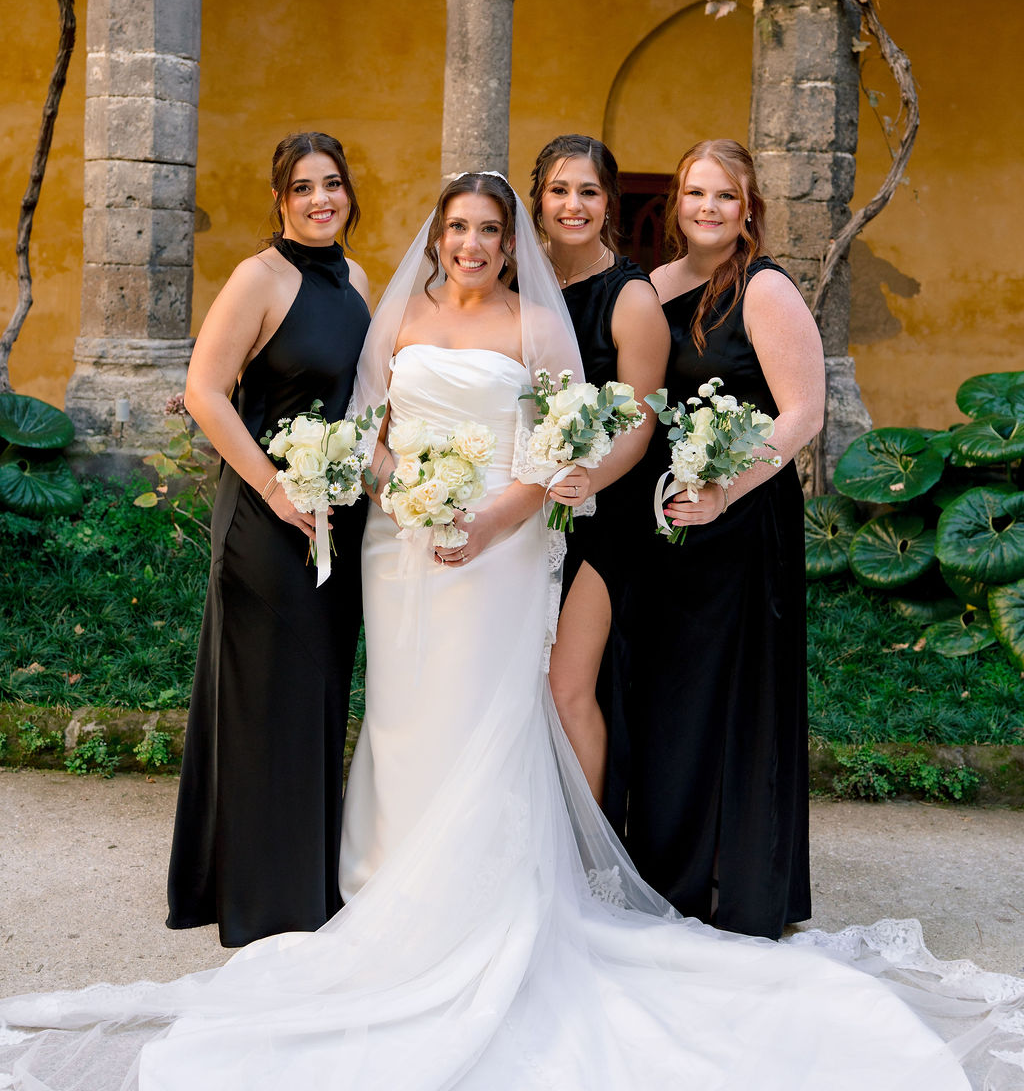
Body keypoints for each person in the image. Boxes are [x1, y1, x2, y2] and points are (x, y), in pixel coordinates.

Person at [1, 172, 1020, 1090]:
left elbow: (576, 437)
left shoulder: (541, 325)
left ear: (506, 239)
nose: (472, 244)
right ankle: (387, 885)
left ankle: (489, 901)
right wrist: (407, 500)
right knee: (403, 715)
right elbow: (368, 427)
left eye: (489, 229)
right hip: (403, 548)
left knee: (488, 710)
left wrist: (490, 514)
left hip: (502, 540)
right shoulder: (391, 311)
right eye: (458, 228)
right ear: (437, 236)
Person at [165, 131, 370, 947]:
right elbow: (205, 392)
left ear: (349, 193)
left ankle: (307, 883)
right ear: (280, 199)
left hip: (336, 520)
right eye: (303, 187)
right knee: (262, 703)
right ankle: (258, 899)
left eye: (333, 184)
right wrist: (278, 490)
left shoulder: (356, 279)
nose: (321, 199)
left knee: (315, 699)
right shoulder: (259, 277)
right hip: (265, 518)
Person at [624, 138, 821, 941]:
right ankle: (665, 872)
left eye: (725, 197)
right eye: (695, 193)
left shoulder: (765, 290)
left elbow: (801, 414)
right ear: (676, 201)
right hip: (665, 521)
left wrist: (723, 491)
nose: (708, 208)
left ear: (749, 210)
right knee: (667, 696)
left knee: (732, 693)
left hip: (741, 521)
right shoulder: (653, 287)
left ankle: (732, 880)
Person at [529, 135, 669, 819]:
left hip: (604, 518)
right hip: (524, 509)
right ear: (539, 199)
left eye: (588, 191)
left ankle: (588, 856)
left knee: (566, 687)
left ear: (609, 201)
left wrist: (589, 479)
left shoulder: (631, 297)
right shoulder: (514, 285)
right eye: (560, 190)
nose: (573, 205)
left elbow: (642, 423)